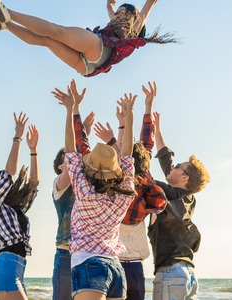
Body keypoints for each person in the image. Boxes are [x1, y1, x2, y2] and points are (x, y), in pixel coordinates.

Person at [55, 84, 136, 300]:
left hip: (88, 263)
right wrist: (129, 119)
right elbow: (127, 154)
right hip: (115, 268)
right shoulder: (124, 192)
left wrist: (70, 110)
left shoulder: (84, 190)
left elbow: (71, 149)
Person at [94, 82, 167, 300]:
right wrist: (145, 110)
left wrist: (118, 131)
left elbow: (128, 152)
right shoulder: (145, 183)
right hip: (133, 264)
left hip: (113, 260)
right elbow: (143, 146)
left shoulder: (115, 183)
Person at [0, 0, 177, 77]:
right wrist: (110, 4)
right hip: (88, 67)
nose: (116, 13)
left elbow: (149, 4)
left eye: (121, 11)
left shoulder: (133, 28)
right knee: (47, 41)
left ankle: (8, 12)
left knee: (55, 31)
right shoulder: (114, 22)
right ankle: (5, 25)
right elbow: (109, 8)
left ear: (131, 16)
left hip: (99, 48)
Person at [0, 112, 39, 300]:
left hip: (17, 269)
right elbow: (8, 175)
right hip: (6, 268)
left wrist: (33, 151)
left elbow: (33, 185)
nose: (1, 181)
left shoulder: (9, 208)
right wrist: (17, 137)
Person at [148, 111, 210, 300]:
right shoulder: (187, 198)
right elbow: (167, 162)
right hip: (189, 275)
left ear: (184, 178)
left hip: (171, 274)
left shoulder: (166, 193)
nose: (173, 167)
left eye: (178, 167)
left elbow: (144, 176)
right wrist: (157, 130)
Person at [51, 80, 95, 300]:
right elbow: (73, 157)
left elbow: (80, 159)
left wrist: (83, 130)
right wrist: (73, 113)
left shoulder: (83, 184)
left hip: (86, 252)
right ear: (60, 167)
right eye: (66, 161)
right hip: (66, 253)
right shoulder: (59, 185)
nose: (72, 161)